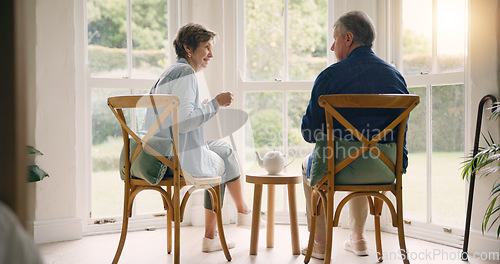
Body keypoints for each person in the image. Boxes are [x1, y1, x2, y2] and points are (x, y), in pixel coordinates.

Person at [300, 11, 409, 260]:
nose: (331, 46)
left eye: (335, 38)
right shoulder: (396, 77)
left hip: (337, 167)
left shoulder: (329, 76)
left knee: (311, 162)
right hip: (385, 167)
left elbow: (309, 133)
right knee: (364, 153)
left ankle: (319, 243)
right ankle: (358, 239)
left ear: (348, 38)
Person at [143, 23, 260, 253]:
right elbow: (185, 123)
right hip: (175, 157)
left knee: (223, 148)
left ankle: (239, 214)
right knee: (224, 156)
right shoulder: (185, 73)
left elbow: (177, 117)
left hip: (161, 150)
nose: (211, 54)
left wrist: (202, 107)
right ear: (188, 47)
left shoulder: (169, 72)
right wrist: (216, 103)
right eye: (206, 47)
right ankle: (223, 227)